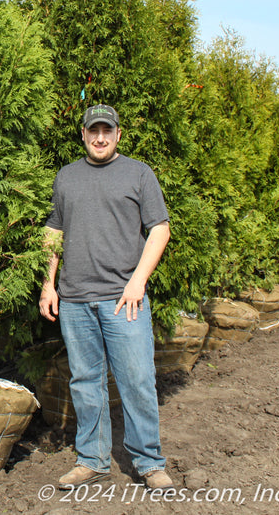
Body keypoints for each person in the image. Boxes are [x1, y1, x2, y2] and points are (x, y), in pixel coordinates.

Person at [39, 104, 173, 491]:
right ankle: (92, 460)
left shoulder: (138, 173)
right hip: (76, 301)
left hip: (123, 300)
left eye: (107, 131)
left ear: (118, 134)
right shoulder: (66, 177)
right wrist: (49, 285)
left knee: (137, 380)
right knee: (85, 381)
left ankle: (149, 461)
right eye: (93, 130)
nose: (100, 137)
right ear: (83, 134)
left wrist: (138, 282)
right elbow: (54, 233)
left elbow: (160, 229)